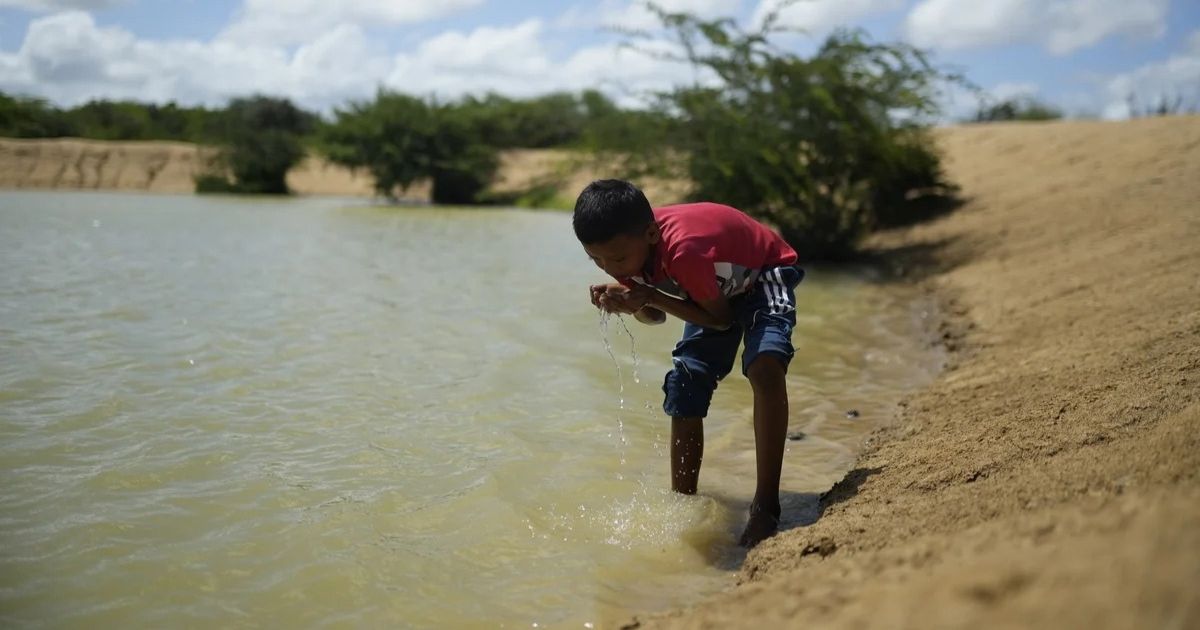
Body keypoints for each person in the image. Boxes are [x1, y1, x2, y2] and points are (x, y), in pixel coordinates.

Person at [572, 179, 804, 548]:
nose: (607, 267)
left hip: (762, 274)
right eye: (595, 260)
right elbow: (655, 316)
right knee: (684, 387)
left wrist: (651, 295)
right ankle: (683, 506)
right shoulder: (622, 251)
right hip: (711, 294)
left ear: (650, 234)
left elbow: (721, 321)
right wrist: (631, 305)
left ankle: (766, 505)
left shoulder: (684, 253)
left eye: (614, 260)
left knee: (765, 365)